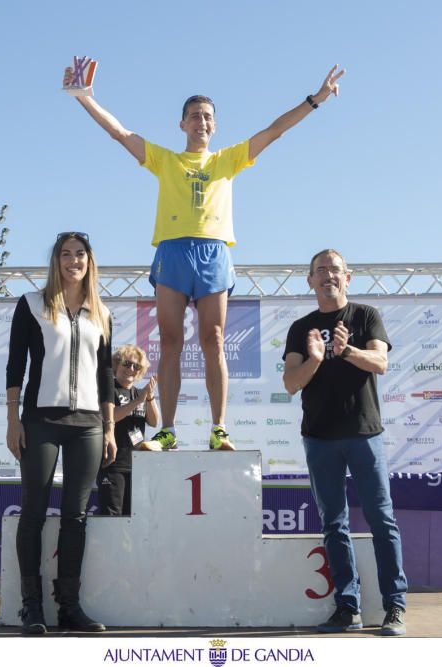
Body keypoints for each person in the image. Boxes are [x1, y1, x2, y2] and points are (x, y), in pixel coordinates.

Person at [65, 63, 346, 452]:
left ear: (215, 126)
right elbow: (120, 133)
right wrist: (85, 98)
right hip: (173, 251)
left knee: (213, 339)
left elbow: (274, 130)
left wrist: (315, 100)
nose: (201, 121)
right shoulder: (166, 160)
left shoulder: (227, 160)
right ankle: (168, 431)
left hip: (213, 252)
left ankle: (219, 428)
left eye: (208, 116)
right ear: (182, 124)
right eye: (194, 115)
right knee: (170, 341)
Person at [281, 249, 408, 636]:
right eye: (320, 271)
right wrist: (317, 359)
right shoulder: (300, 328)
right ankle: (346, 608)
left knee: (382, 520)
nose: (328, 276)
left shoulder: (365, 315)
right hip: (319, 438)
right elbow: (290, 382)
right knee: (334, 524)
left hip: (364, 434)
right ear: (310, 281)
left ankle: (395, 606)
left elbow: (381, 363)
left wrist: (347, 350)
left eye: (334, 270)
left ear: (347, 278)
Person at [5, 231, 116, 634]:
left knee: (76, 516)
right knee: (33, 512)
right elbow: (16, 365)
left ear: (89, 261)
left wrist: (109, 427)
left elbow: (106, 376)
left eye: (80, 255)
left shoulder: (101, 312)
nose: (73, 261)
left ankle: (69, 607)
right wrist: (12, 419)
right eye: (66, 254)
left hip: (88, 424)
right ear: (56, 261)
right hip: (40, 421)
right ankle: (31, 607)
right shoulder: (32, 305)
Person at [97, 344, 159, 516]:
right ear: (116, 364)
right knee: (112, 516)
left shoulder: (140, 393)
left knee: (134, 516)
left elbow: (154, 421)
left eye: (136, 366)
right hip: (113, 465)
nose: (131, 369)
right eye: (126, 364)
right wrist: (138, 401)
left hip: (137, 466)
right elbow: (111, 416)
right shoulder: (109, 390)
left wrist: (149, 397)